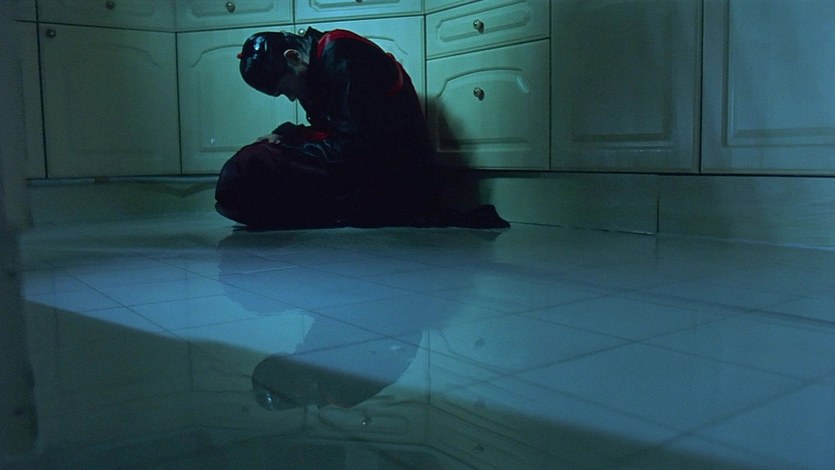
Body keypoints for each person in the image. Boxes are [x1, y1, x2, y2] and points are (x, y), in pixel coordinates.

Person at [215, 27, 509, 229]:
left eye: (285, 89)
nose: (291, 97)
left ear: (293, 57)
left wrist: (289, 148)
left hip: (388, 173)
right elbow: (336, 128)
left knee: (254, 166)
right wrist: (286, 134)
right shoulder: (315, 66)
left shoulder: (340, 52)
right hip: (366, 164)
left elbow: (352, 146)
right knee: (255, 166)